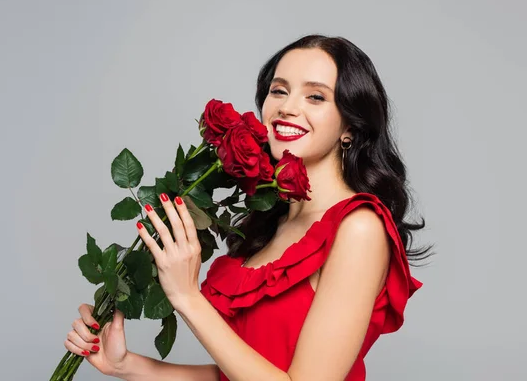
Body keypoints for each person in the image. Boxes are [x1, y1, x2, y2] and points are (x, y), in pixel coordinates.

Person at [62, 34, 432, 380]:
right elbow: (241, 372)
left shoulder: (358, 227)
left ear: (350, 125)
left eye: (315, 97)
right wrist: (129, 365)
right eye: (279, 90)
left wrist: (187, 297)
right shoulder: (272, 223)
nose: (287, 108)